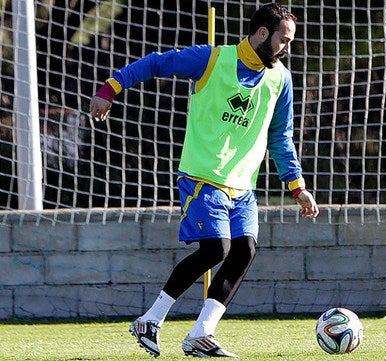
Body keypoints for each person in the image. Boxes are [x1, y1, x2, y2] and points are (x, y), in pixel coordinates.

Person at [89, 3, 319, 358]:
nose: (287, 47)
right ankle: (151, 320)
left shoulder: (281, 79)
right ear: (262, 33)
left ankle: (201, 333)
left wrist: (297, 187)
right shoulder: (211, 59)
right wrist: (111, 87)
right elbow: (157, 63)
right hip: (201, 176)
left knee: (244, 250)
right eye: (283, 40)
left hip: (243, 185)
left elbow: (281, 137)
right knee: (216, 249)